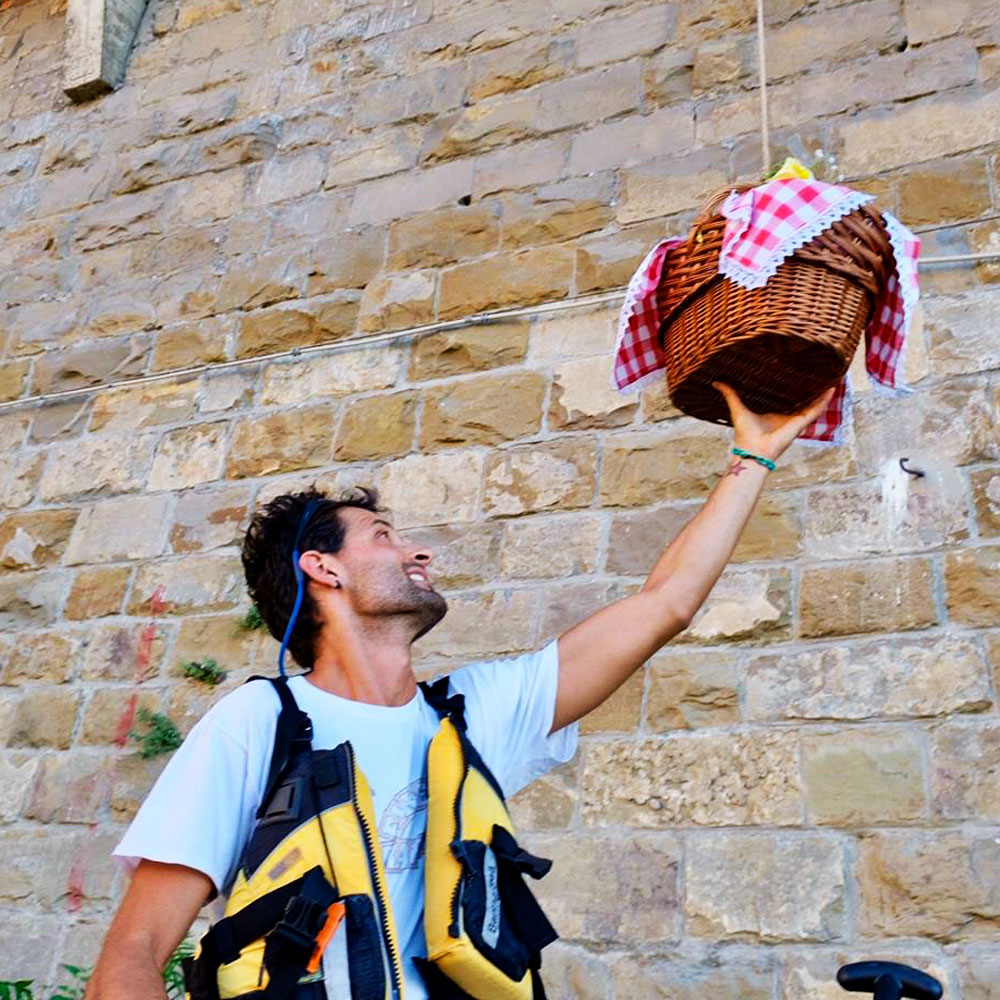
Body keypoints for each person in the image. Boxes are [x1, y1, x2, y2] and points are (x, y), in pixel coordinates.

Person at [86, 382, 833, 1000]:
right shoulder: (260, 723)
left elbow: (665, 605)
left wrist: (750, 459)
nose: (417, 550)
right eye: (381, 535)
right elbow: (132, 958)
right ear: (324, 569)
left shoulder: (475, 717)